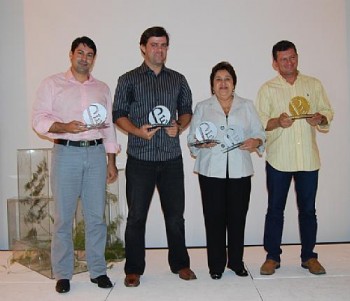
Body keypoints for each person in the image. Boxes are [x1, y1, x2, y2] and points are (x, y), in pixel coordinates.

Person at [32, 36, 119, 293]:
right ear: (71, 55)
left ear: (94, 59)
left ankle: (98, 270)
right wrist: (64, 127)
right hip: (66, 153)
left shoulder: (102, 88)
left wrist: (111, 160)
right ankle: (63, 273)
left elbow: (109, 127)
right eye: (80, 52)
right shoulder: (52, 84)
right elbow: (39, 119)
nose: (84, 58)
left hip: (95, 154)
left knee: (96, 217)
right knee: (63, 217)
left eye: (90, 54)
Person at [112, 26, 196, 287]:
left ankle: (180, 264)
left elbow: (186, 110)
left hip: (171, 158)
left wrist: (179, 127)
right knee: (136, 216)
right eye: (154, 45)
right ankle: (133, 269)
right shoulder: (128, 79)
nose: (159, 50)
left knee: (175, 216)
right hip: (140, 158)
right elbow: (118, 114)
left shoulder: (178, 79)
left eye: (163, 45)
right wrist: (137, 131)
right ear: (143, 47)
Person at [256, 40, 334, 276]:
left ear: (297, 57)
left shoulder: (313, 84)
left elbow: (327, 111)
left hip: (308, 159)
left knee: (308, 210)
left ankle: (309, 256)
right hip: (279, 159)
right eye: (283, 59)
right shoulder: (268, 89)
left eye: (292, 57)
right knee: (275, 209)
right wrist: (277, 122)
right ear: (275, 63)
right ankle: (272, 257)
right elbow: (260, 123)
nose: (289, 63)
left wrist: (320, 118)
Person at [187, 61, 265, 280]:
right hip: (211, 171)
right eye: (218, 80)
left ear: (234, 83)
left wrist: (255, 141)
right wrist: (200, 143)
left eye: (227, 79)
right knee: (214, 218)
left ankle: (237, 262)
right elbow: (192, 138)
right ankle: (216, 265)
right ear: (212, 85)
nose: (223, 83)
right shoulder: (203, 107)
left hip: (240, 171)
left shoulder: (247, 105)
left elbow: (260, 133)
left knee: (238, 218)